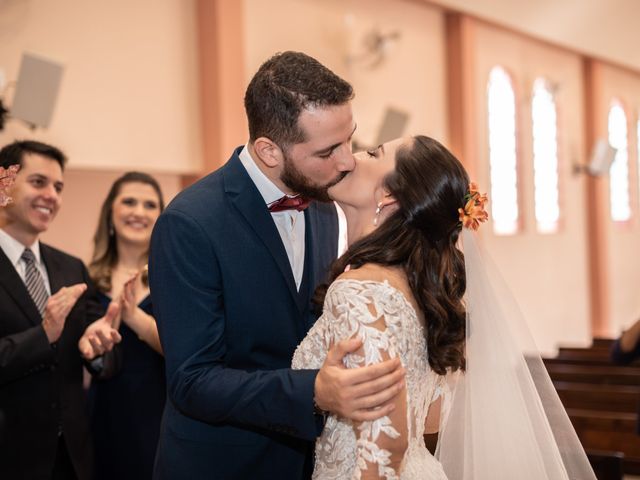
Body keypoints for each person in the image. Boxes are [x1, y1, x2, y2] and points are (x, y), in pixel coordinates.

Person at [148, 51, 404, 479]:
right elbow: (192, 380)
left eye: (350, 139)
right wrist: (313, 390)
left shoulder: (324, 205)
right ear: (269, 150)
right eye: (328, 150)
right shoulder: (190, 223)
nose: (347, 161)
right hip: (223, 464)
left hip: (305, 459)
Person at [293, 135, 596, 479]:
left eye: (373, 153)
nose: (353, 157)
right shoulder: (423, 293)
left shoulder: (359, 291)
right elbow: (431, 418)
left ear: (389, 194)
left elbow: (387, 443)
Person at [0, 140, 121, 480]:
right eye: (38, 182)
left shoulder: (71, 268)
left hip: (71, 457)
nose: (51, 196)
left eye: (58, 187)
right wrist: (44, 335)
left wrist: (97, 351)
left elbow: (106, 360)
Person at [86, 172, 166, 479]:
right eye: (129, 202)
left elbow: (185, 348)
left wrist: (134, 317)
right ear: (111, 212)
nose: (139, 212)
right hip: (104, 413)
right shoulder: (87, 279)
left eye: (150, 205)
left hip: (159, 411)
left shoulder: (174, 276)